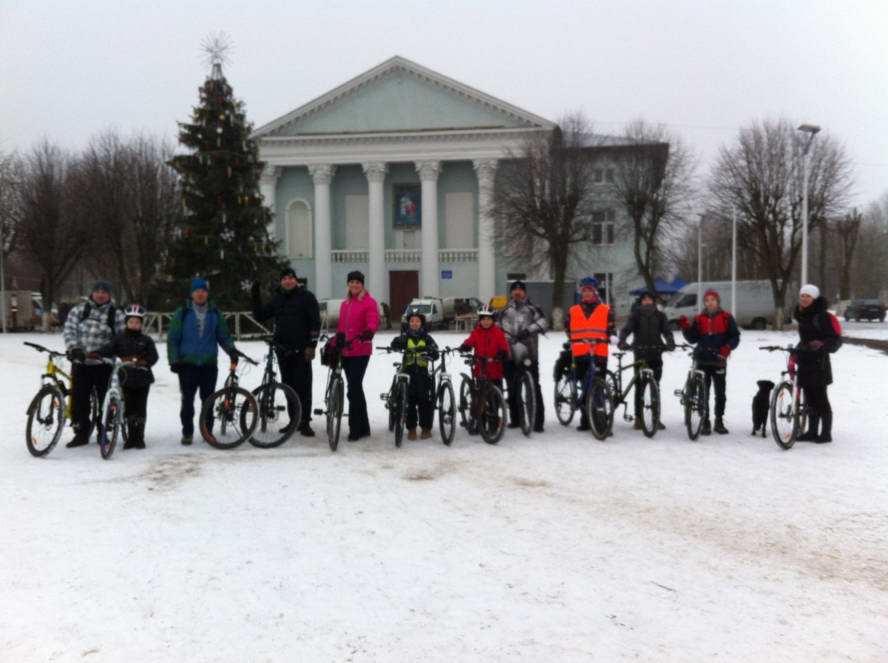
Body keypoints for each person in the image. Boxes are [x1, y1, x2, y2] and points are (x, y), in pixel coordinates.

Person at [251, 267, 321, 437]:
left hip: (302, 350)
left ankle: (304, 422)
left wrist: (312, 345)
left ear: (296, 280)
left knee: (303, 386)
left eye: (291, 278)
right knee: (288, 387)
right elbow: (260, 315)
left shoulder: (307, 297)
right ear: (281, 281)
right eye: (284, 279)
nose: (287, 281)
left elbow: (315, 322)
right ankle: (293, 420)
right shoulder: (277, 298)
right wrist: (255, 294)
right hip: (282, 350)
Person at [167, 278, 238, 445]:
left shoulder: (215, 313)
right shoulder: (182, 312)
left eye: (204, 291)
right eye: (197, 291)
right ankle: (187, 432)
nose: (200, 293)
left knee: (208, 401)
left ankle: (207, 432)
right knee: (187, 401)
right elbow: (173, 338)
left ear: (207, 294)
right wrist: (174, 360)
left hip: (208, 364)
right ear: (192, 293)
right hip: (187, 364)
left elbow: (223, 335)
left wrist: (231, 350)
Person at [62, 280, 126, 447]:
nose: (100, 294)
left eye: (104, 291)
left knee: (105, 398)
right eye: (97, 291)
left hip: (103, 364)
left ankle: (103, 430)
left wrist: (108, 352)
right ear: (92, 293)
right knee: (79, 399)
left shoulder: (116, 314)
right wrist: (73, 347)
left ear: (109, 295)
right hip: (81, 362)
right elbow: (69, 330)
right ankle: (81, 433)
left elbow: (121, 337)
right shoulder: (79, 310)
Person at [678, 289, 740, 435]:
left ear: (718, 302)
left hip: (719, 359)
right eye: (707, 300)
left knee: (720, 392)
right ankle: (705, 420)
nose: (710, 302)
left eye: (713, 299)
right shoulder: (699, 319)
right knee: (703, 392)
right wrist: (686, 328)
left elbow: (735, 336)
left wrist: (728, 347)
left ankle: (719, 420)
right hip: (702, 359)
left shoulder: (726, 317)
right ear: (704, 303)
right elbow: (693, 338)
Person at [96, 304, 158, 449]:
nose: (134, 324)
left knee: (140, 408)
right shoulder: (119, 338)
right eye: (131, 322)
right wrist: (97, 353)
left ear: (141, 324)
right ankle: (131, 438)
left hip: (143, 379)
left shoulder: (146, 340)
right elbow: (109, 348)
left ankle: (140, 437)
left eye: (137, 322)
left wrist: (144, 361)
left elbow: (154, 356)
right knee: (129, 409)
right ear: (126, 322)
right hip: (126, 378)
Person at [792, 284, 842, 443]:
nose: (805, 299)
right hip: (806, 360)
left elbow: (834, 337)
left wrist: (820, 344)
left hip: (819, 362)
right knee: (809, 397)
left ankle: (826, 434)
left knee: (820, 398)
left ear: (814, 299)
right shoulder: (803, 315)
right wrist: (798, 349)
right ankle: (812, 431)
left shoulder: (822, 316)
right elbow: (805, 339)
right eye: (802, 296)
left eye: (808, 296)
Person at [618, 291, 675, 430]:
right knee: (639, 387)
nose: (648, 301)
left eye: (650, 299)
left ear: (654, 301)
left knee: (655, 387)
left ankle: (656, 418)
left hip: (656, 353)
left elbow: (667, 331)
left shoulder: (660, 315)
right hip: (640, 354)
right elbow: (626, 329)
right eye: (645, 299)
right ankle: (638, 418)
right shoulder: (635, 315)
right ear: (641, 301)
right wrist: (622, 340)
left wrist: (670, 342)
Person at [498, 280, 548, 432]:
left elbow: (544, 322)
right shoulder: (505, 309)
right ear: (511, 293)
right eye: (514, 290)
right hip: (509, 354)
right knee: (512, 388)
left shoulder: (533, 308)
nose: (517, 292)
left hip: (529, 354)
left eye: (520, 290)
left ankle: (538, 422)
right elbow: (496, 326)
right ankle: (516, 419)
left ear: (525, 292)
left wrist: (529, 330)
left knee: (534, 388)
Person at [566, 277, 615, 431]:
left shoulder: (605, 309)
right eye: (584, 290)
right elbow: (568, 328)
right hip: (580, 351)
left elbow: (611, 328)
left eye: (589, 290)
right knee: (584, 385)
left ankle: (600, 421)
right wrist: (574, 339)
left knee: (598, 387)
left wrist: (612, 336)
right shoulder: (573, 310)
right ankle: (586, 419)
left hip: (599, 352)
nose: (586, 293)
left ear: (595, 292)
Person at [336, 271, 379, 442]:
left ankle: (355, 429)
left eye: (357, 282)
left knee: (353, 388)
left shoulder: (369, 302)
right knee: (355, 388)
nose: (354, 285)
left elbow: (373, 320)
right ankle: (364, 427)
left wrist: (369, 331)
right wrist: (337, 339)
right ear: (348, 284)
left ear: (362, 284)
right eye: (351, 282)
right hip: (345, 350)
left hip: (361, 350)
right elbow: (341, 326)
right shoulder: (345, 303)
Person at [390, 310, 439, 440]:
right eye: (412, 321)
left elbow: (435, 352)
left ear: (421, 323)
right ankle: (411, 428)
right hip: (408, 372)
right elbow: (396, 343)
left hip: (422, 374)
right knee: (409, 401)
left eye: (417, 321)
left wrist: (429, 352)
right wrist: (396, 345)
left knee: (424, 401)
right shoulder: (405, 336)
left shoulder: (427, 337)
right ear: (409, 323)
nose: (414, 323)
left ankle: (426, 428)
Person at [459, 305, 510, 431]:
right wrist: (465, 346)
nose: (486, 321)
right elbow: (470, 341)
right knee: (479, 399)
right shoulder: (477, 332)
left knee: (495, 401)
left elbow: (504, 347)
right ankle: (478, 423)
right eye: (483, 319)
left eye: (488, 319)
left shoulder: (498, 332)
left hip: (495, 371)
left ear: (493, 320)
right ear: (480, 320)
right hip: (480, 371)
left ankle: (493, 423)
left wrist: (502, 353)